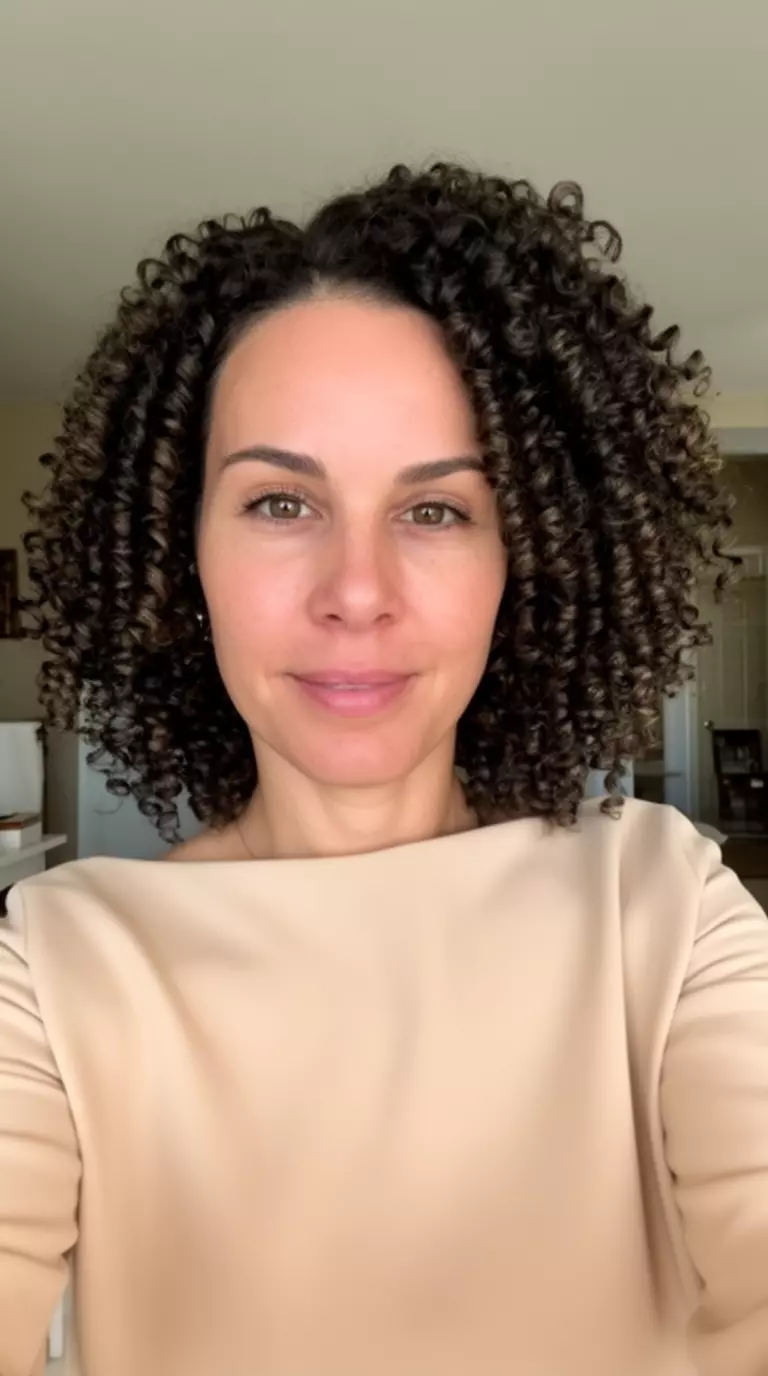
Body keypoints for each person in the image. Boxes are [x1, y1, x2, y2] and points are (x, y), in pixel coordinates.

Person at [1, 161, 766, 1376]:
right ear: (178, 553)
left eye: (437, 512)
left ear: (525, 562)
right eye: (279, 502)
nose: (357, 593)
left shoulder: (667, 911)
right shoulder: (52, 966)